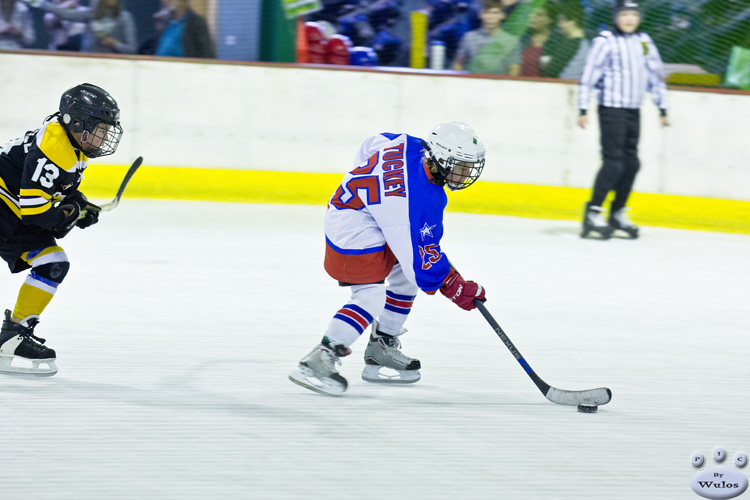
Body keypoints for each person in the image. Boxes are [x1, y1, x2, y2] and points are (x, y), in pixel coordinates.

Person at [289, 122, 488, 396]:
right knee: (370, 298)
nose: (465, 173)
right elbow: (420, 264)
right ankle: (321, 357)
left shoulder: (410, 144)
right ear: (441, 157)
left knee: (405, 282)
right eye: (460, 165)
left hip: (369, 213)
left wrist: (377, 192)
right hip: (351, 227)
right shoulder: (411, 201)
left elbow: (372, 143)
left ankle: (381, 346)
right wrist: (455, 288)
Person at [0, 83, 123, 377]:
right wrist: (71, 214)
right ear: (76, 122)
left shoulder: (69, 142)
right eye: (100, 129)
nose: (104, 137)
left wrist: (76, 204)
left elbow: (51, 192)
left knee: (53, 263)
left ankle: (13, 336)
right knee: (52, 259)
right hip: (7, 209)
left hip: (9, 210)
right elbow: (37, 212)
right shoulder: (55, 148)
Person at [577, 0, 668, 239]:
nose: (629, 19)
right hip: (611, 108)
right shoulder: (605, 41)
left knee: (632, 163)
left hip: (633, 109)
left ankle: (616, 213)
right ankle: (593, 213)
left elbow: (655, 74)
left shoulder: (644, 42)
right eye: (624, 14)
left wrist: (662, 106)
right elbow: (589, 75)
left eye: (633, 14)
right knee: (614, 162)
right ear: (616, 16)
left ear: (639, 17)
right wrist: (583, 107)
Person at [25, 0, 136, 53]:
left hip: (116, 64)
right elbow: (65, 14)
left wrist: (115, 43)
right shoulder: (91, 15)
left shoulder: (124, 17)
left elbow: (132, 49)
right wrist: (42, 4)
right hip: (89, 62)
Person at [451, 0, 521, 75]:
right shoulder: (469, 38)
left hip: (500, 85)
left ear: (502, 15)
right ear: (480, 14)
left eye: (495, 13)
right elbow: (457, 65)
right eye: (486, 12)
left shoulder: (511, 41)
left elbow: (514, 70)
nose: (490, 17)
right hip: (474, 84)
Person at [540, 0, 589, 79]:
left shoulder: (572, 43)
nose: (559, 24)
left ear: (573, 20)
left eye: (562, 20)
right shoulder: (585, 43)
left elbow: (551, 71)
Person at [519, 0, 556, 77]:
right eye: (531, 13)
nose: (533, 17)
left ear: (550, 19)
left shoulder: (557, 43)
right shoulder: (521, 39)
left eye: (539, 14)